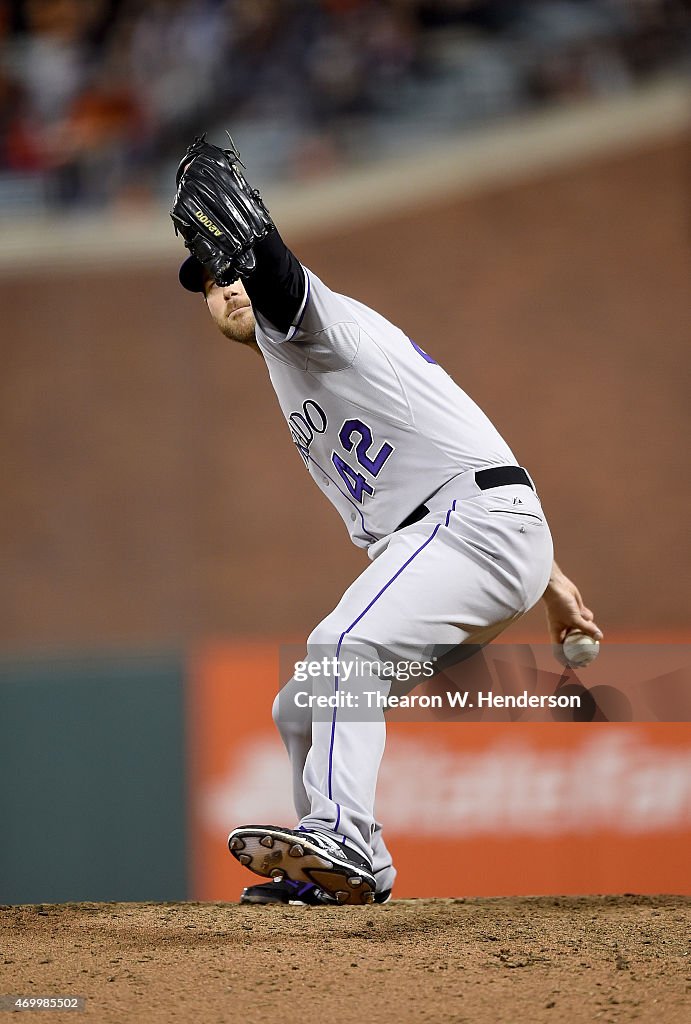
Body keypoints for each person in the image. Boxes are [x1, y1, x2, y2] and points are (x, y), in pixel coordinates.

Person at [172, 136, 602, 907]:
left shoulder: (311, 327)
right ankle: (343, 871)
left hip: (472, 524)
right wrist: (551, 582)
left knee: (342, 645)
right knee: (297, 706)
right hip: (472, 533)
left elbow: (278, 280)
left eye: (228, 268)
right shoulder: (291, 370)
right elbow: (458, 443)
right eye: (208, 283)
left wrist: (258, 246)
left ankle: (338, 832)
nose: (225, 288)